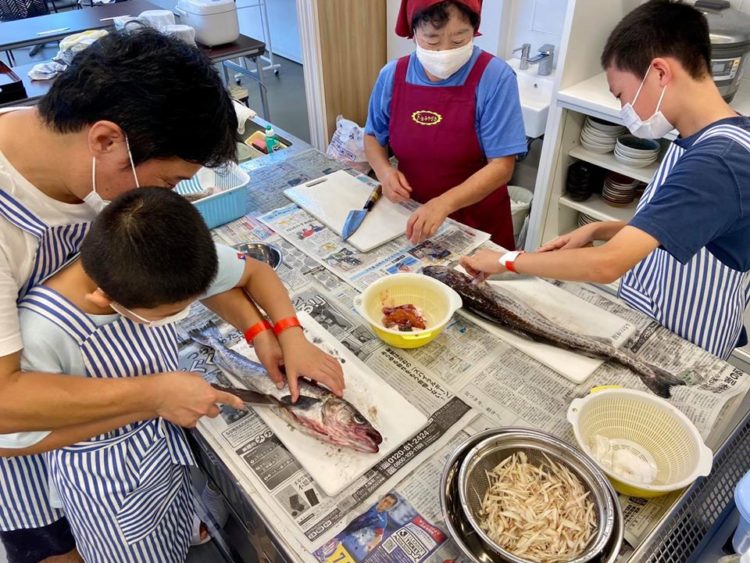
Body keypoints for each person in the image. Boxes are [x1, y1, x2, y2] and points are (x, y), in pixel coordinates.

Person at [0, 29, 343, 562]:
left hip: (124, 426)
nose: (166, 199)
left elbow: (180, 273)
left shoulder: (96, 173)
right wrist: (156, 395)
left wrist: (274, 331)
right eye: (168, 181)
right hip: (32, 442)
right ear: (107, 141)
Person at [460, 0, 750, 361]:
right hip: (655, 311)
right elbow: (679, 224)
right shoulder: (717, 135)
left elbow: (606, 264)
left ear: (660, 73)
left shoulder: (718, 162)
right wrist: (596, 231)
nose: (626, 112)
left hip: (684, 339)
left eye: (622, 95)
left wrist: (506, 261)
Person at [2, 188, 257, 561]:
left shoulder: (143, 269)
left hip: (163, 457)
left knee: (173, 535)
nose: (176, 319)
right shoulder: (44, 332)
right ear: (105, 299)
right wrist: (153, 404)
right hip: (110, 493)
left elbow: (248, 271)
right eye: (170, 314)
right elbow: (15, 441)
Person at [364, 0, 527, 247]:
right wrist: (385, 172)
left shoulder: (495, 77)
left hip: (478, 221)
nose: (444, 51)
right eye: (432, 39)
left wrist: (444, 203)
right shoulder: (392, 75)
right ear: (414, 31)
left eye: (459, 39)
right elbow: (373, 137)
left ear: (474, 30)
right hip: (413, 214)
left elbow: (501, 167)